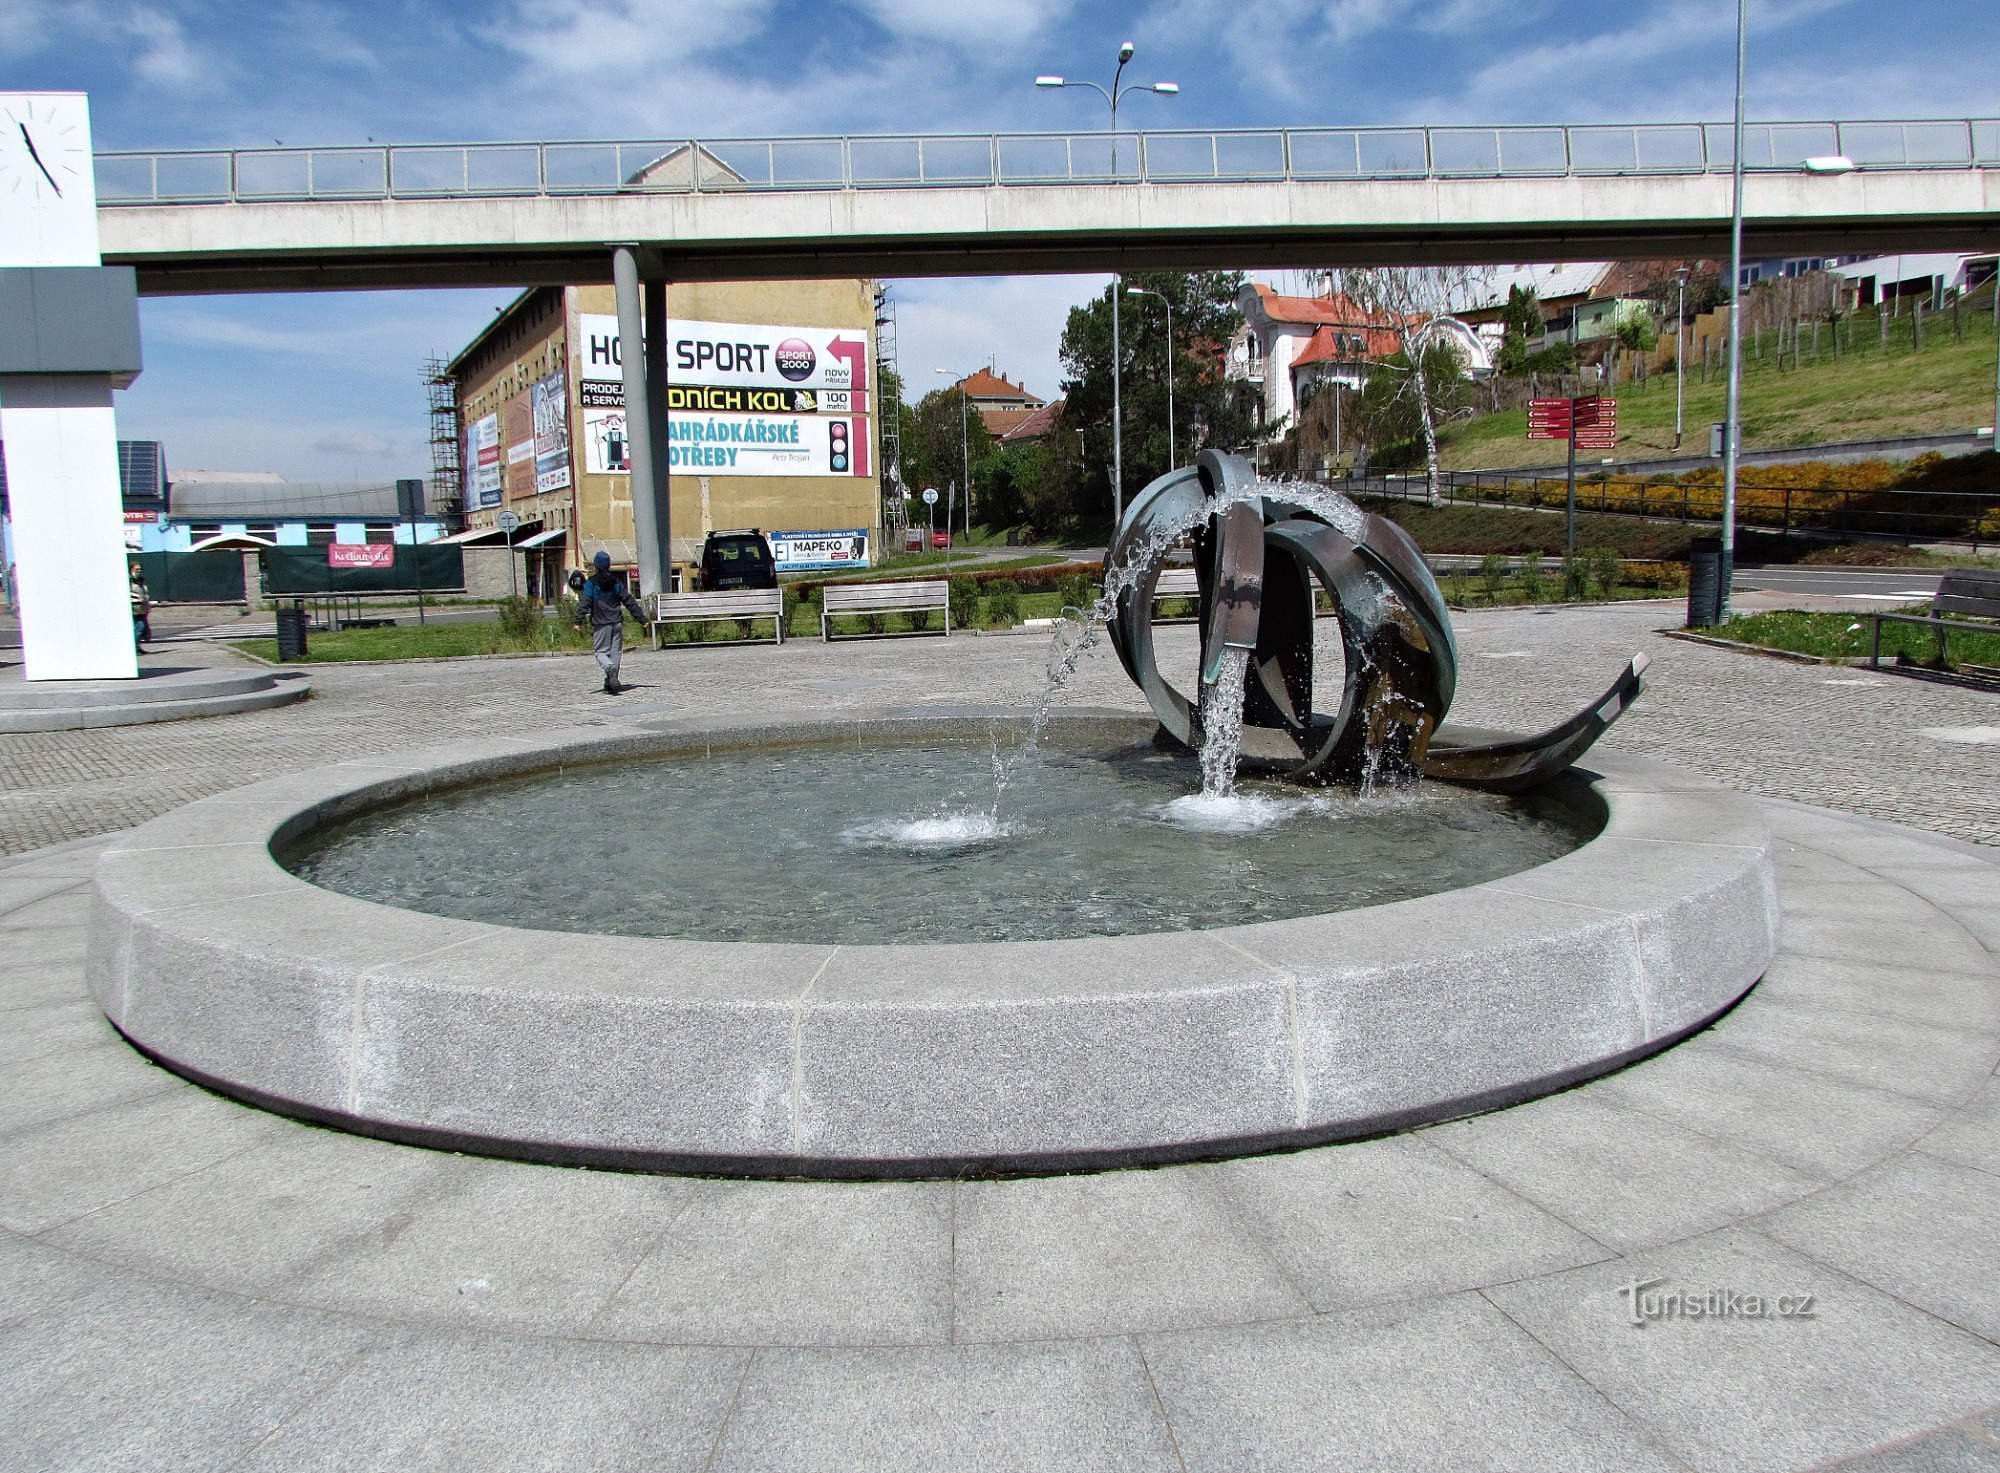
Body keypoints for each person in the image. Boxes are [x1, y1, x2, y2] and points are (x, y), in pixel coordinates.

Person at [572, 551, 646, 694]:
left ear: (596, 565)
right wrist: (642, 620)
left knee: (601, 652)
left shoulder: (591, 583)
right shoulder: (616, 582)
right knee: (616, 652)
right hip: (617, 622)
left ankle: (609, 669)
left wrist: (577, 621)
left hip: (601, 623)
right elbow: (629, 601)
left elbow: (585, 602)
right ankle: (612, 682)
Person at [129, 563, 152, 653]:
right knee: (139, 627)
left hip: (142, 609)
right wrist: (137, 598)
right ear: (131, 569)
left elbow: (144, 593)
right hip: (134, 608)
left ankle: (137, 647)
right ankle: (134, 648)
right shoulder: (129, 580)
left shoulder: (139, 581)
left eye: (140, 569)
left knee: (141, 628)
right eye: (137, 569)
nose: (139, 571)